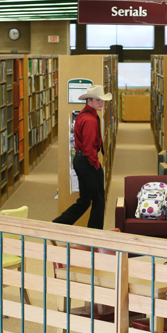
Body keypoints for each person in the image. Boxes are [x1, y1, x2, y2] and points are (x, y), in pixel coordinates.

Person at [52, 85, 111, 229]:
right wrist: (96, 165)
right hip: (87, 161)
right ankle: (94, 234)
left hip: (81, 160)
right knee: (99, 200)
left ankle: (58, 224)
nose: (101, 103)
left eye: (102, 100)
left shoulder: (84, 115)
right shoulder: (90, 120)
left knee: (85, 200)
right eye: (98, 100)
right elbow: (89, 147)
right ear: (89, 101)